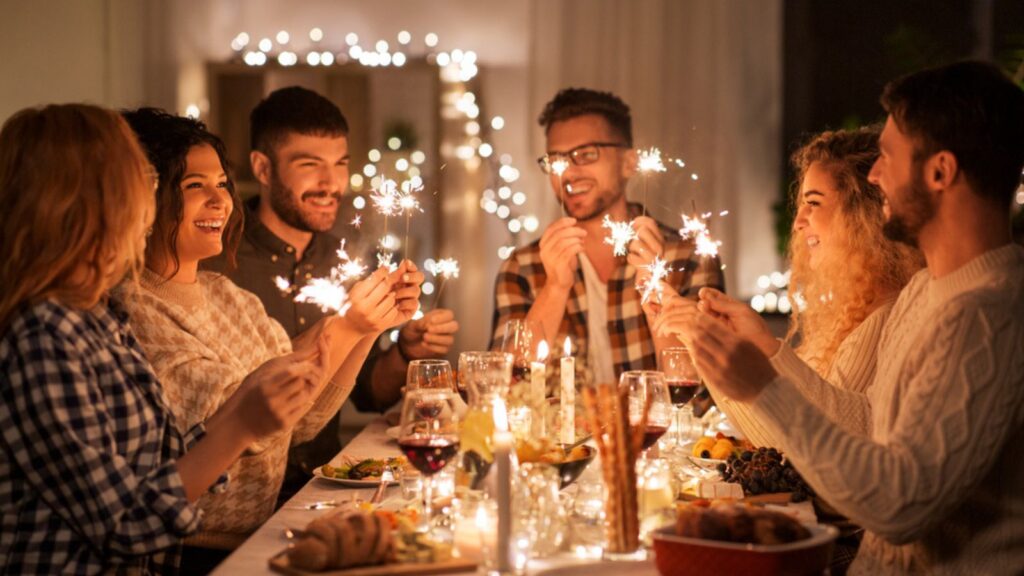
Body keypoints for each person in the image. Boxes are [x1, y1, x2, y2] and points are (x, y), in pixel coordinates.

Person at [681, 61, 1024, 574]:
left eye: (887, 156)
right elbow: (869, 429)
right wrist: (761, 359)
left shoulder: (988, 315)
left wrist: (764, 387)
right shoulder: (928, 289)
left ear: (940, 171)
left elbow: (898, 506)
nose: (875, 175)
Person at [0, 104, 325, 574]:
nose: (149, 206)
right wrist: (242, 426)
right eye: (143, 186)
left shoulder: (98, 316)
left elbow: (160, 459)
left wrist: (249, 405)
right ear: (82, 203)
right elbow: (123, 523)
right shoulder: (42, 337)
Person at [115, 108, 420, 565]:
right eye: (194, 186)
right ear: (145, 197)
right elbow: (246, 422)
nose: (220, 202)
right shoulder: (131, 310)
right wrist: (348, 324)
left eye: (222, 184)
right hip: (194, 554)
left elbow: (301, 421)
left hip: (261, 535)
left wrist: (367, 328)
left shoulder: (231, 299)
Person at [203, 87, 458, 491]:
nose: (332, 183)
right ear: (263, 169)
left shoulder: (353, 256)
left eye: (341, 163)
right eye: (310, 164)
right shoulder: (215, 262)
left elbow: (370, 393)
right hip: (235, 495)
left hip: (331, 482)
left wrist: (406, 348)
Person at [655, 127, 923, 446]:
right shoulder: (843, 317)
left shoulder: (884, 319)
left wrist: (764, 347)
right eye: (802, 205)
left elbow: (819, 446)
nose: (798, 222)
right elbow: (777, 439)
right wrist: (702, 342)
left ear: (861, 216)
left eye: (814, 203)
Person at [490, 87, 724, 384]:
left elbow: (702, 398)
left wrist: (655, 287)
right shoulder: (522, 266)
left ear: (629, 163)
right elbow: (501, 390)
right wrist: (556, 287)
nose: (569, 174)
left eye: (586, 155)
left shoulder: (687, 257)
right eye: (556, 160)